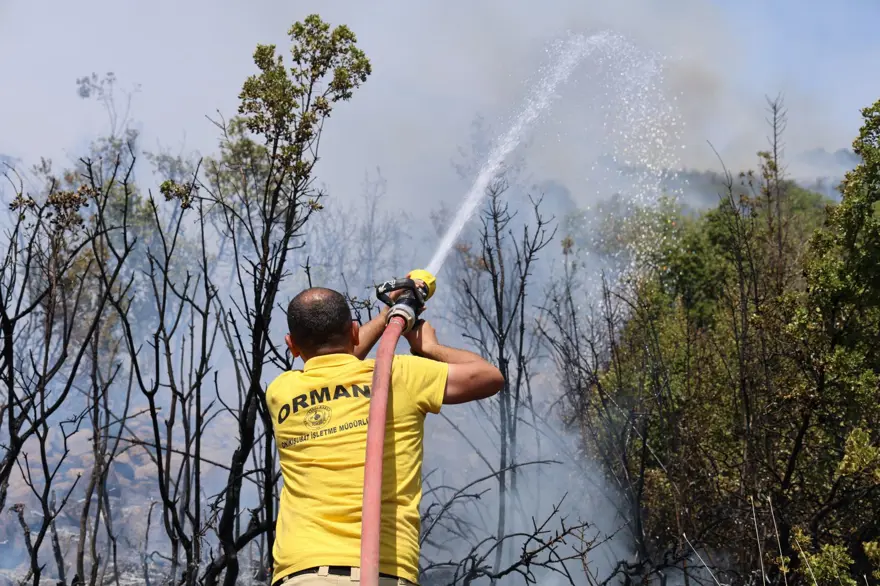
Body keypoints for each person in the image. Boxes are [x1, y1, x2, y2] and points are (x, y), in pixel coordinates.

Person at [266, 286, 504, 586]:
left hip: (301, 576)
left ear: (292, 345)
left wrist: (384, 318)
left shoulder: (281, 391)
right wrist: (428, 345)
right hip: (383, 574)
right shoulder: (399, 375)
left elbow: (342, 359)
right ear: (353, 331)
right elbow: (489, 377)